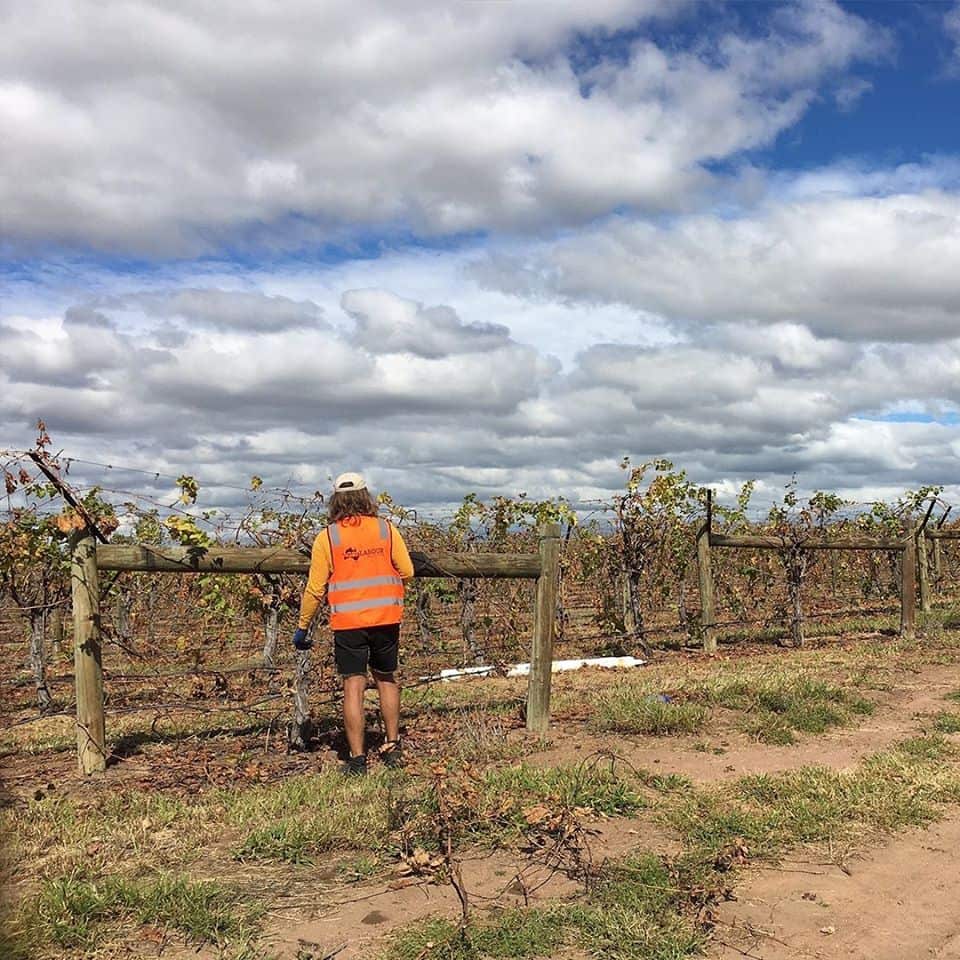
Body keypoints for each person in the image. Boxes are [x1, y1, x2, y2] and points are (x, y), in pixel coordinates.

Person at [292, 472, 414, 776]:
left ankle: (358, 760)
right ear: (366, 496)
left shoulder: (328, 537)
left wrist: (303, 626)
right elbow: (408, 570)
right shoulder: (387, 530)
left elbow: (315, 588)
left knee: (353, 687)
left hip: (348, 622)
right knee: (386, 678)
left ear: (335, 501)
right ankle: (393, 746)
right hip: (386, 617)